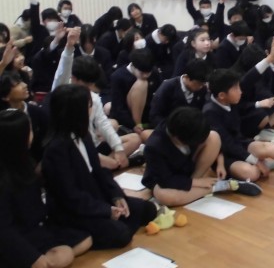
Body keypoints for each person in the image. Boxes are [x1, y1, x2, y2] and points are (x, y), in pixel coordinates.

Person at [42, 84, 157, 249]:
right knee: (121, 234)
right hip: (75, 209)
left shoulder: (83, 135)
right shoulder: (55, 150)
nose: (92, 110)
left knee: (148, 210)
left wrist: (116, 196)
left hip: (96, 196)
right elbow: (70, 196)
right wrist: (106, 210)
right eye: (89, 107)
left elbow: (100, 171)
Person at [0, 109, 92, 267]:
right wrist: (31, 257)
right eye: (29, 130)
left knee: (85, 240)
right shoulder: (4, 178)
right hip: (16, 236)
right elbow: (5, 230)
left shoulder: (26, 161)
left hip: (37, 228)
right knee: (58, 256)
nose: (32, 134)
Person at [50, 28, 143, 170]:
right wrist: (69, 47)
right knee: (107, 161)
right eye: (86, 84)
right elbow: (61, 73)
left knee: (134, 138)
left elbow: (103, 123)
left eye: (91, 84)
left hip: (93, 144)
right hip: (76, 148)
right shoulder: (63, 93)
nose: (89, 88)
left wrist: (118, 149)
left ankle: (106, 165)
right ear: (74, 79)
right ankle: (106, 166)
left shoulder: (93, 97)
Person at [203, 69, 274, 183]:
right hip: (224, 155)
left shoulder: (229, 101)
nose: (240, 91)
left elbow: (244, 107)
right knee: (251, 173)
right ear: (222, 95)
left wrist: (261, 103)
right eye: (236, 89)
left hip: (239, 143)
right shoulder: (210, 112)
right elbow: (228, 144)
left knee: (264, 146)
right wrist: (255, 161)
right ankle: (264, 164)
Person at [142, 106, 262, 206]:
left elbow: (210, 135)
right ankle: (221, 186)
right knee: (163, 196)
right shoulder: (154, 147)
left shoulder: (189, 121)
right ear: (178, 137)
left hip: (189, 169)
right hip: (167, 179)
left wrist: (220, 163)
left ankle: (198, 185)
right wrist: (197, 183)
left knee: (214, 137)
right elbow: (166, 180)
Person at [149, 58, 210, 128]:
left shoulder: (202, 89)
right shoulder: (168, 87)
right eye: (198, 84)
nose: (201, 87)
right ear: (187, 77)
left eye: (203, 84)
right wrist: (170, 128)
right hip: (168, 128)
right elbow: (155, 116)